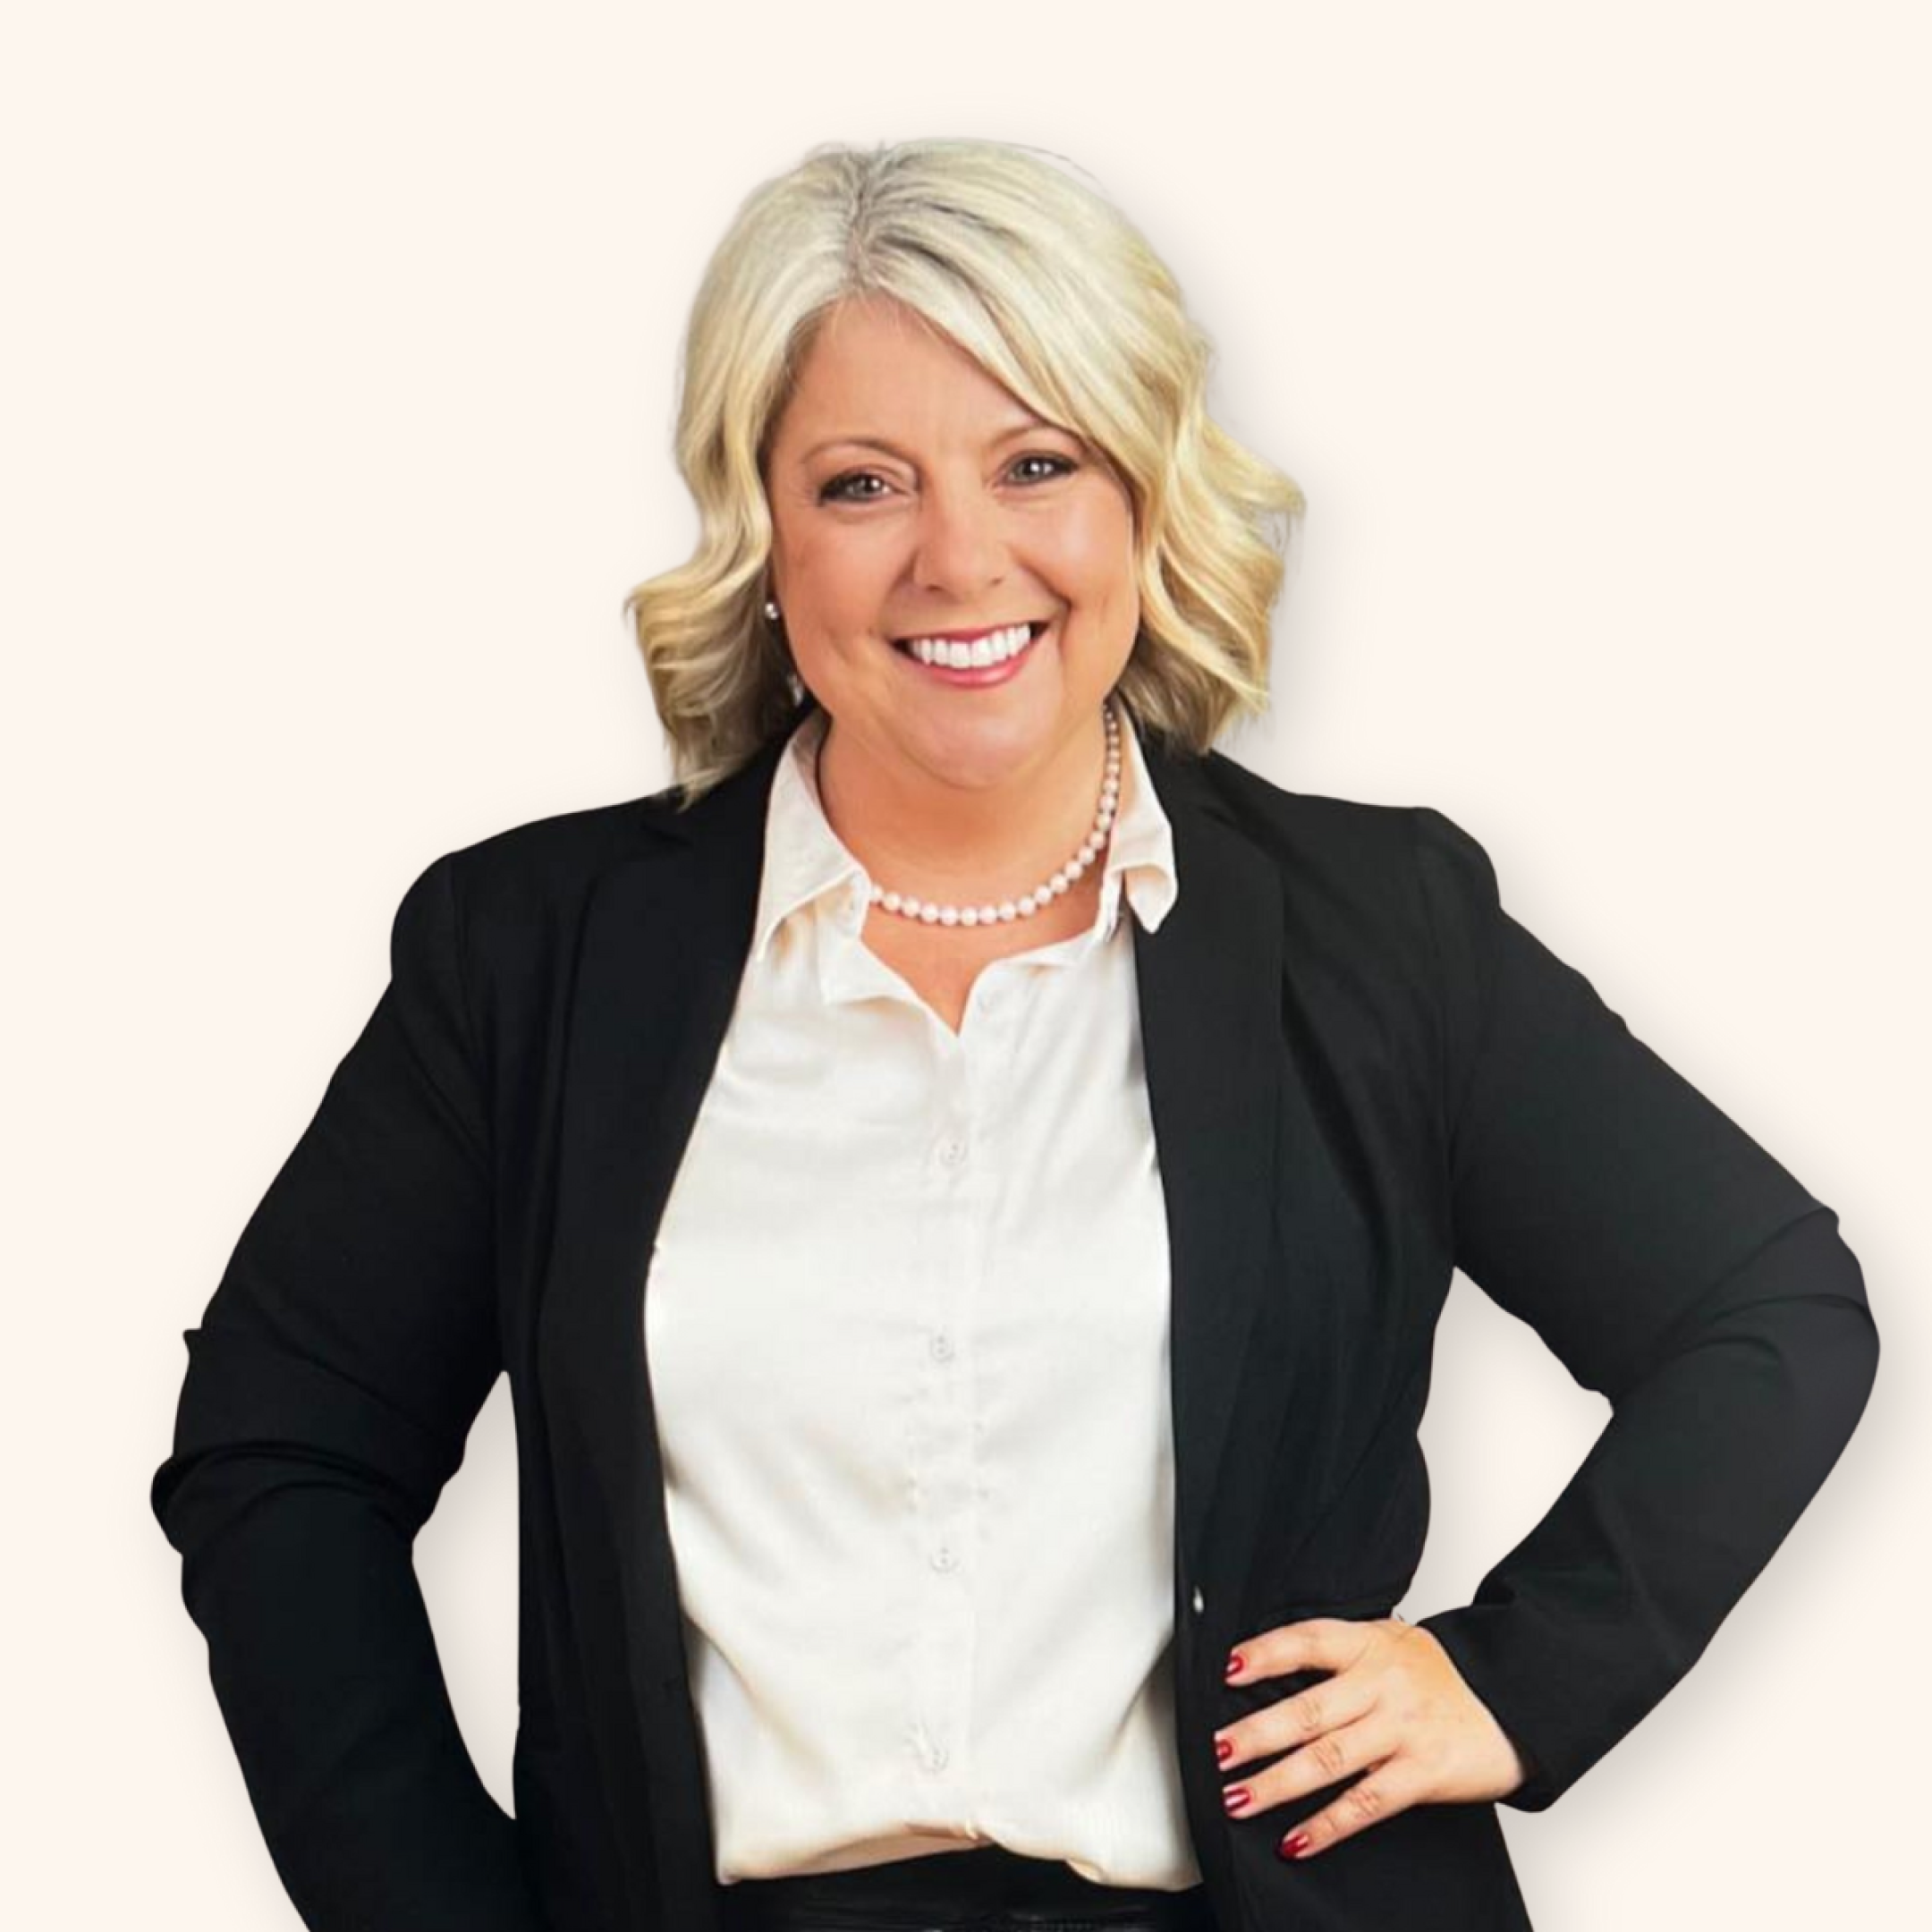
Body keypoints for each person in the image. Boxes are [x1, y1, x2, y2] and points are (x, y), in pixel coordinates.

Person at [150, 137, 1880, 1932]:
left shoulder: (1382, 933)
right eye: (862, 484)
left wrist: (1519, 1679)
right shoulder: (531, 958)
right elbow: (283, 1453)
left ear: (1140, 497)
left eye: (1036, 463)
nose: (961, 558)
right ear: (759, 529)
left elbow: (1763, 1313)